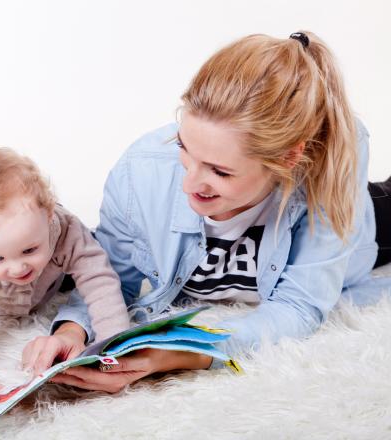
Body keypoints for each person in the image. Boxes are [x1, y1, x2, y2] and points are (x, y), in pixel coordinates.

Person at [22, 31, 391, 392]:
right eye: (184, 149)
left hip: (374, 223)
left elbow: (300, 307)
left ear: (289, 158)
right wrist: (72, 329)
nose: (188, 184)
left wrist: (185, 354)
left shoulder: (327, 169)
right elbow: (111, 275)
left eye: (220, 171)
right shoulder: (140, 173)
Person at [0, 148, 129, 405]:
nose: (18, 268)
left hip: (49, 278)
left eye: (29, 249)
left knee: (93, 253)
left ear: (49, 213)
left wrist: (117, 343)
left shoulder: (66, 228)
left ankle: (50, 260)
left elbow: (100, 281)